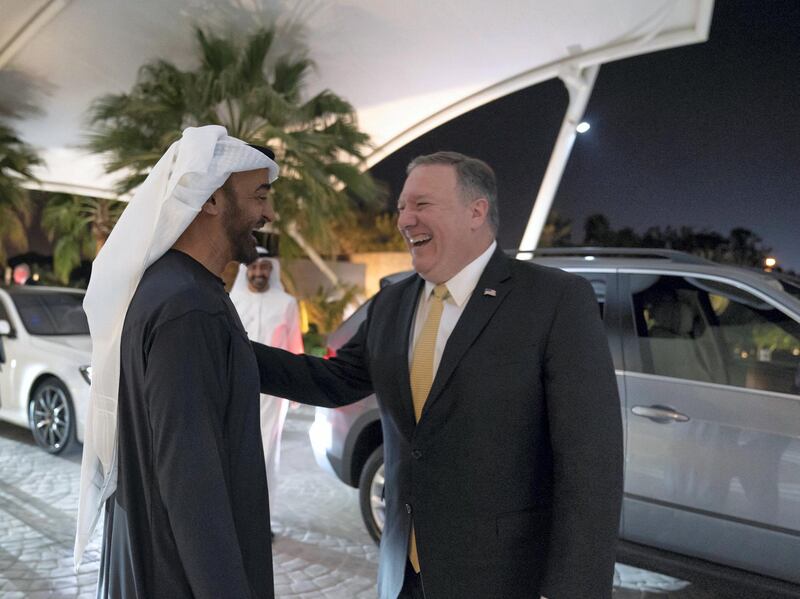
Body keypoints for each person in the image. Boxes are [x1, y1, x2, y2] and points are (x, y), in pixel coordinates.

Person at [250, 151, 624, 599]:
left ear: (476, 211)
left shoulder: (554, 300)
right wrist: (222, 347)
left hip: (502, 580)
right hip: (402, 576)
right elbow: (333, 381)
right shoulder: (391, 303)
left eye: (422, 205)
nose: (404, 220)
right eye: (402, 207)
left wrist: (573, 590)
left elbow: (590, 467)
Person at [74, 125, 280, 599]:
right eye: (260, 196)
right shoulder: (188, 308)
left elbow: (238, 360)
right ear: (210, 200)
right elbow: (192, 490)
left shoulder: (175, 287)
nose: (269, 213)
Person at [229, 249, 304, 528]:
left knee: (267, 453)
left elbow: (294, 343)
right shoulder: (232, 301)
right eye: (254, 268)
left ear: (272, 270)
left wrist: (296, 387)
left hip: (274, 393)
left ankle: (263, 520)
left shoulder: (286, 303)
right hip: (236, 389)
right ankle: (235, 515)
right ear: (245, 270)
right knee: (236, 452)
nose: (259, 273)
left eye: (264, 268)